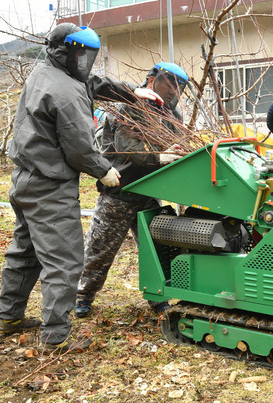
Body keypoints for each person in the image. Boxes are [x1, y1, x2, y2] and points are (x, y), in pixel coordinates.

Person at [0, 23, 160, 352]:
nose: (86, 62)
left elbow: (92, 82)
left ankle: (8, 318)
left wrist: (131, 91)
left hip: (25, 180)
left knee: (24, 253)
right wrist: (105, 171)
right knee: (65, 262)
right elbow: (81, 148)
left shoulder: (46, 70)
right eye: (82, 55)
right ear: (67, 50)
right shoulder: (65, 92)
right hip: (49, 187)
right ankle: (56, 337)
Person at [74, 62, 188, 318]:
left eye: (179, 87)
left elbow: (178, 144)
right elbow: (126, 148)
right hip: (120, 190)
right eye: (169, 84)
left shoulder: (172, 115)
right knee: (101, 248)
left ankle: (157, 294)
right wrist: (158, 158)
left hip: (149, 192)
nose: (173, 92)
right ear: (151, 81)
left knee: (156, 248)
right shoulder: (128, 106)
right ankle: (83, 294)